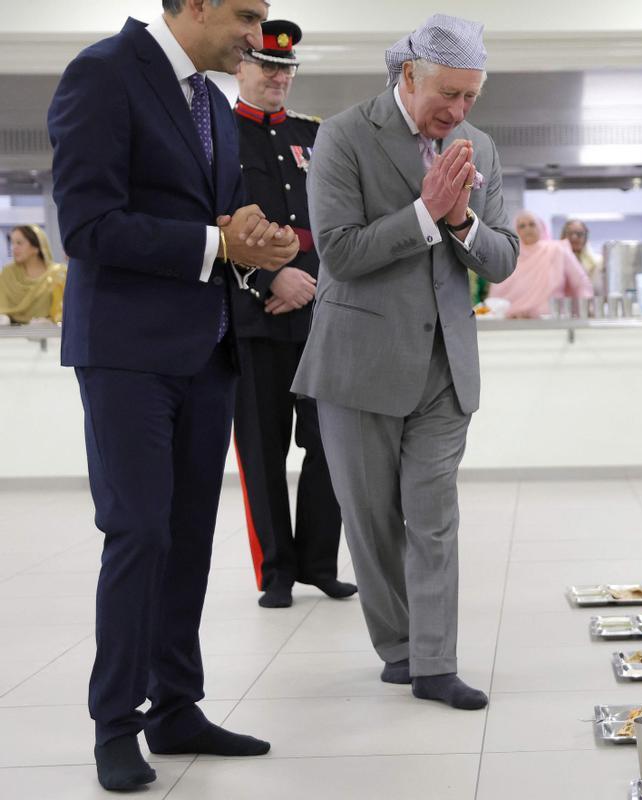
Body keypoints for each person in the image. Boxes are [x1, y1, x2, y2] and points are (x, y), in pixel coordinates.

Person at [47, 0, 300, 791]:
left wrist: (257, 246)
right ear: (191, 5)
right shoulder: (103, 75)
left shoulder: (214, 104)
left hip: (207, 349)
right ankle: (115, 724)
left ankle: (176, 707)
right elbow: (87, 225)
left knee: (188, 536)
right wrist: (216, 242)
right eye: (245, 14)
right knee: (138, 536)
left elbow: (219, 224)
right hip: (126, 356)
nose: (257, 36)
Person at [292, 13, 518, 711]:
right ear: (408, 75)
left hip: (445, 366)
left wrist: (459, 222)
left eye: (470, 98)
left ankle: (434, 663)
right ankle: (397, 646)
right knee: (370, 518)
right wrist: (426, 213)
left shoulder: (477, 144)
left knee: (433, 516)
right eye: (446, 95)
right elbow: (339, 251)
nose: (456, 112)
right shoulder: (343, 135)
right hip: (358, 362)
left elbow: (503, 257)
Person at [230, 19, 356, 609]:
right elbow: (216, 228)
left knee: (330, 445)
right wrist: (265, 278)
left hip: (320, 318)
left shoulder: (318, 137)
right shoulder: (217, 138)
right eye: (265, 64)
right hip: (253, 323)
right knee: (262, 450)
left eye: (286, 68)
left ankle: (318, 563)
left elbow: (342, 226)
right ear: (240, 67)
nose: (278, 75)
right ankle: (276, 571)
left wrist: (314, 282)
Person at [486, 211, 593, 318]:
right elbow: (495, 296)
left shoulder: (557, 250)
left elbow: (581, 283)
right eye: (522, 226)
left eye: (532, 224)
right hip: (514, 321)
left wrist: (587, 309)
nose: (527, 229)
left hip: (552, 320)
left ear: (541, 226)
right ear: (516, 231)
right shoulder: (509, 257)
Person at [0, 225, 66, 324]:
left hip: (51, 335)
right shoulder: (8, 274)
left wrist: (50, 322)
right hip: (10, 336)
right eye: (12, 243)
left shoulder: (57, 273)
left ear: (36, 247)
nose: (14, 248)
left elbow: (64, 311)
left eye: (19, 243)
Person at [560, 217, 601, 290]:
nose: (574, 237)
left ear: (585, 238)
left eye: (579, 234)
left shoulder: (596, 263)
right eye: (570, 234)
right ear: (563, 236)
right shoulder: (554, 261)